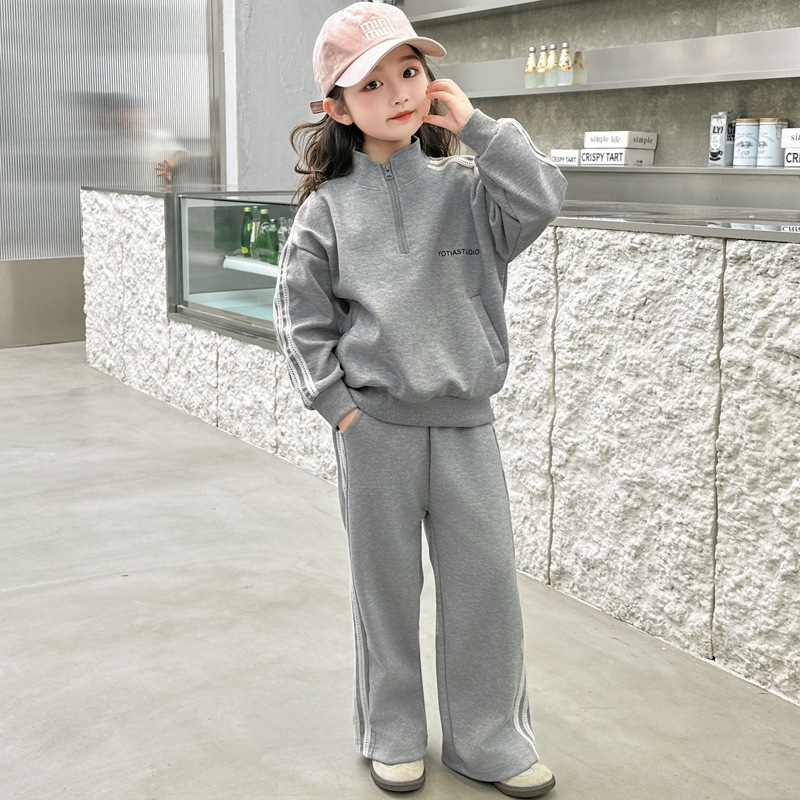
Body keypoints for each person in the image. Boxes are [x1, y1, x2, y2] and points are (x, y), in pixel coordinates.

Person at [274, 3, 567, 797]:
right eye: (372, 83)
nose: (399, 92)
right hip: (376, 430)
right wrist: (340, 410)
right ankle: (393, 731)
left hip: (467, 425)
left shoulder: (470, 186)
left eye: (408, 70)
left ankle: (489, 739)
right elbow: (300, 321)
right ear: (337, 107)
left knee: (486, 588)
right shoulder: (326, 211)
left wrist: (480, 129)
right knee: (386, 592)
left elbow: (543, 198)